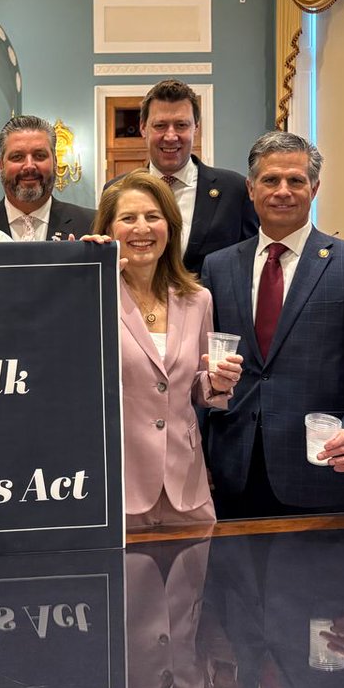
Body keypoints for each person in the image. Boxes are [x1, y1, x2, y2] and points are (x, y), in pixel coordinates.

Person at [200, 131, 344, 518]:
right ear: (250, 188)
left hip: (322, 467)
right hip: (231, 472)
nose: (283, 191)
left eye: (295, 180)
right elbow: (202, 364)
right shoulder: (219, 266)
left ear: (314, 188)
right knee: (229, 579)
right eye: (270, 180)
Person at [88, 171, 241, 528]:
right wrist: (86, 271)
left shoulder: (197, 299)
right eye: (128, 218)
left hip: (186, 483)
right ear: (109, 229)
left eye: (153, 217)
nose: (142, 228)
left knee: (192, 582)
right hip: (117, 483)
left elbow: (198, 385)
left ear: (169, 227)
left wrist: (218, 383)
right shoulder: (91, 294)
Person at [107, 79, 257, 275]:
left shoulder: (235, 191)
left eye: (181, 125)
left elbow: (251, 262)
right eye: (160, 125)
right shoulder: (116, 191)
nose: (170, 136)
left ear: (196, 127)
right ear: (143, 128)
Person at [0, 115, 96, 241]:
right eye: (17, 157)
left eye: (39, 156)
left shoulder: (93, 224)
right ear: (1, 165)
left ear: (55, 162)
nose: (29, 166)